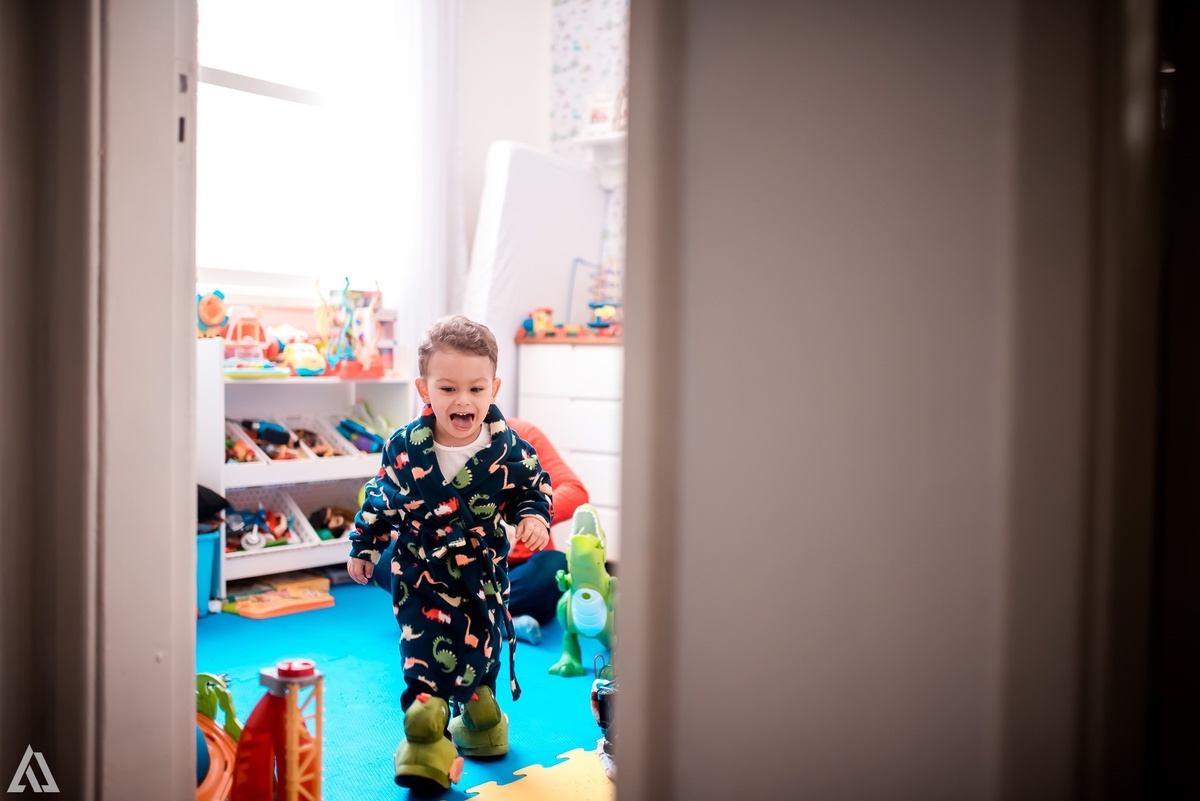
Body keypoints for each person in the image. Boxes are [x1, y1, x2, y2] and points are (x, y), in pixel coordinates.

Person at [346, 315, 553, 791]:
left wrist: (533, 517)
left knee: (482, 650)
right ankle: (425, 733)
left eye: (476, 389)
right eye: (448, 388)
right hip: (420, 572)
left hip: (482, 577)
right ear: (424, 389)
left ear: (494, 388)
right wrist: (365, 544)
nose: (463, 401)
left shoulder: (511, 451)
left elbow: (533, 489)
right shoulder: (404, 446)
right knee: (422, 652)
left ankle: (480, 716)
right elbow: (381, 498)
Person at [365, 416, 589, 645]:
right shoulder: (419, 442)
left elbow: (574, 490)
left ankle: (457, 619)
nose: (463, 403)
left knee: (555, 567)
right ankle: (495, 622)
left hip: (517, 569)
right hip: (447, 564)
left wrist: (528, 518)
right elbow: (393, 499)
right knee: (380, 554)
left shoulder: (522, 435)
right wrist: (403, 529)